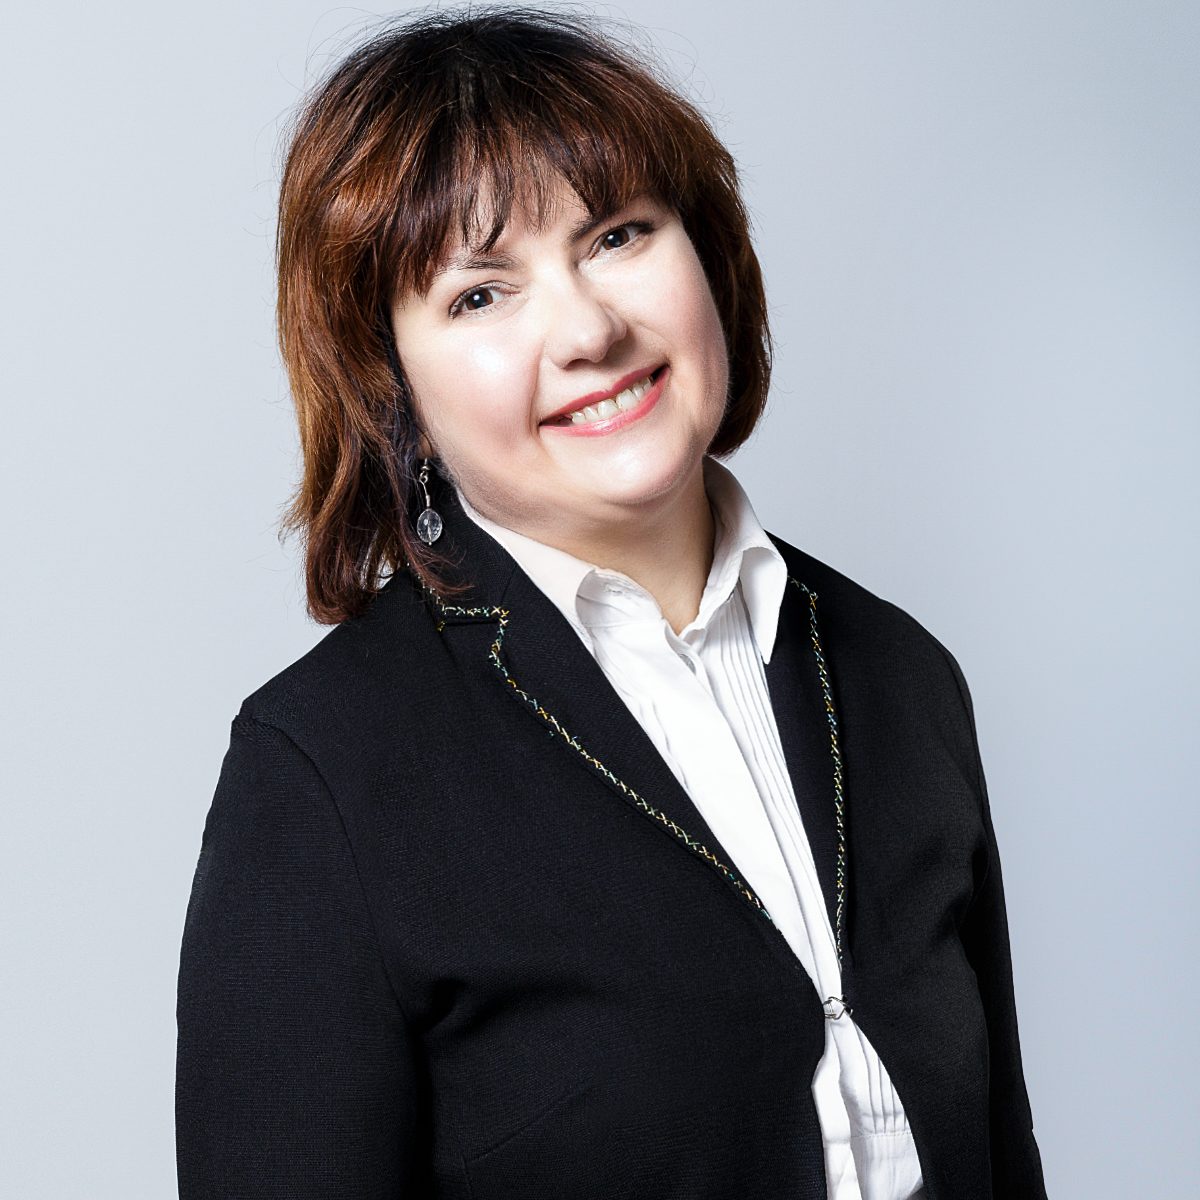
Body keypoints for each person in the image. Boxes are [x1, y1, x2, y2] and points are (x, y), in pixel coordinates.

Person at [175, 8, 1048, 1199]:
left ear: (710, 253)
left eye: (619, 235)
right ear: (391, 388)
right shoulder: (323, 769)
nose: (589, 330)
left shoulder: (899, 674)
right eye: (480, 296)